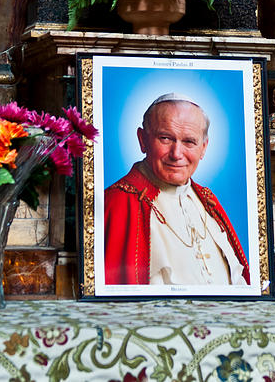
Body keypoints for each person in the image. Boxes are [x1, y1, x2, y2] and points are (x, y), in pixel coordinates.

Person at [104, 93, 250, 286]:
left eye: (189, 141)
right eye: (165, 138)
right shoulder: (117, 202)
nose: (176, 154)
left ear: (204, 147)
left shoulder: (208, 202)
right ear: (142, 140)